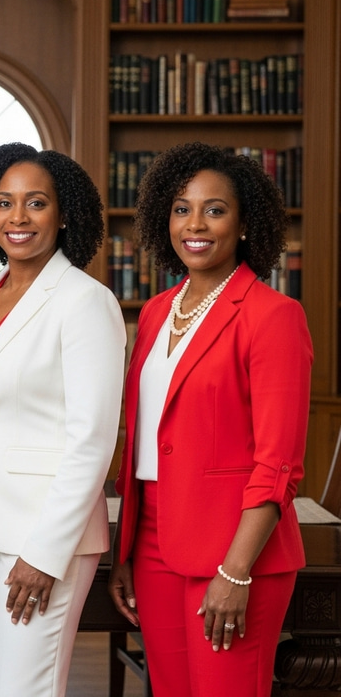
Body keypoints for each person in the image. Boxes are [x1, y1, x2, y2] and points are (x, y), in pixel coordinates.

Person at [108, 141, 313, 697]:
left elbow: (279, 465)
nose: (194, 223)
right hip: (153, 542)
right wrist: (126, 551)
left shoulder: (274, 317)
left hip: (234, 548)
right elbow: (146, 439)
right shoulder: (154, 313)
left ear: (245, 224)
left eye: (214, 209)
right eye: (181, 208)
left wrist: (235, 569)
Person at [0, 142, 126, 697]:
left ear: (64, 214)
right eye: (3, 202)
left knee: (28, 689)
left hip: (44, 536)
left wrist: (45, 553)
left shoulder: (85, 301)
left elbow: (92, 439)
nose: (17, 217)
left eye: (35, 203)